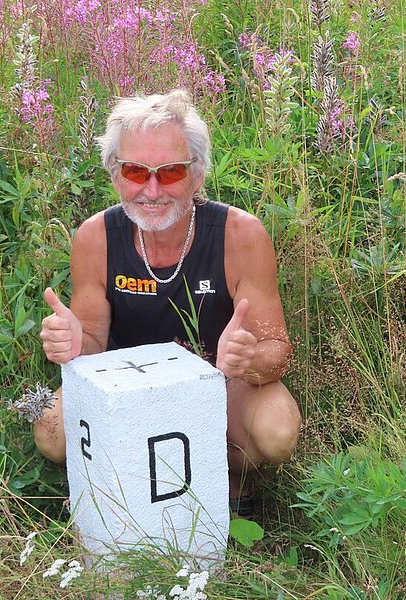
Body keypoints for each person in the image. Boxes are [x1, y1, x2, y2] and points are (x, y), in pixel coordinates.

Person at [36, 89, 301, 516]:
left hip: (219, 386)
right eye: (136, 172)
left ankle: (229, 479)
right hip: (127, 392)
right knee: (51, 429)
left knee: (276, 428)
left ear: (197, 176)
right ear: (115, 175)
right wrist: (72, 342)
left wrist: (247, 360)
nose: (153, 190)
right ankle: (122, 485)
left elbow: (277, 350)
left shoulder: (241, 235)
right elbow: (93, 346)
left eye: (171, 172)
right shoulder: (95, 238)